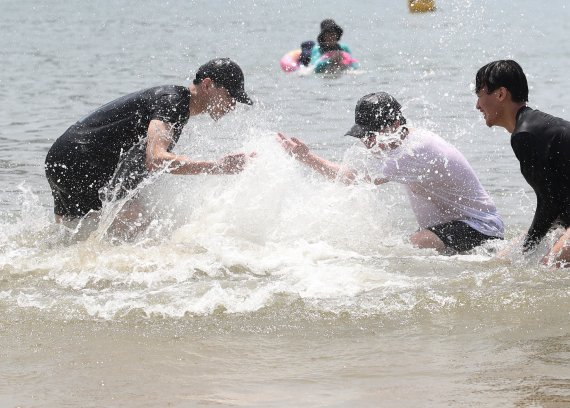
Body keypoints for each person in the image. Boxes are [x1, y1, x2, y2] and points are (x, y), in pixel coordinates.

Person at [278, 92, 504, 254]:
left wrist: (307, 158)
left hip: (481, 228)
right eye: (363, 136)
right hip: (454, 228)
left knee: (410, 246)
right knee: (410, 245)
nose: (368, 143)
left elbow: (352, 180)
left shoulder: (416, 151)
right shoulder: (402, 144)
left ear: (395, 124)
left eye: (372, 135)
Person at [45, 57, 254, 227]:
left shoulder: (175, 104)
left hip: (63, 156)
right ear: (208, 85)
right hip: (80, 160)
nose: (233, 105)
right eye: (230, 96)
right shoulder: (173, 102)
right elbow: (156, 159)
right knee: (140, 223)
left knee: (71, 234)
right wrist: (217, 167)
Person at [475, 59, 570, 266]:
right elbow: (559, 197)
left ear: (500, 94)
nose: (477, 105)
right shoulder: (532, 127)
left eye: (479, 95)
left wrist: (528, 247)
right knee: (503, 260)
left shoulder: (525, 135)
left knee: (551, 265)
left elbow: (550, 202)